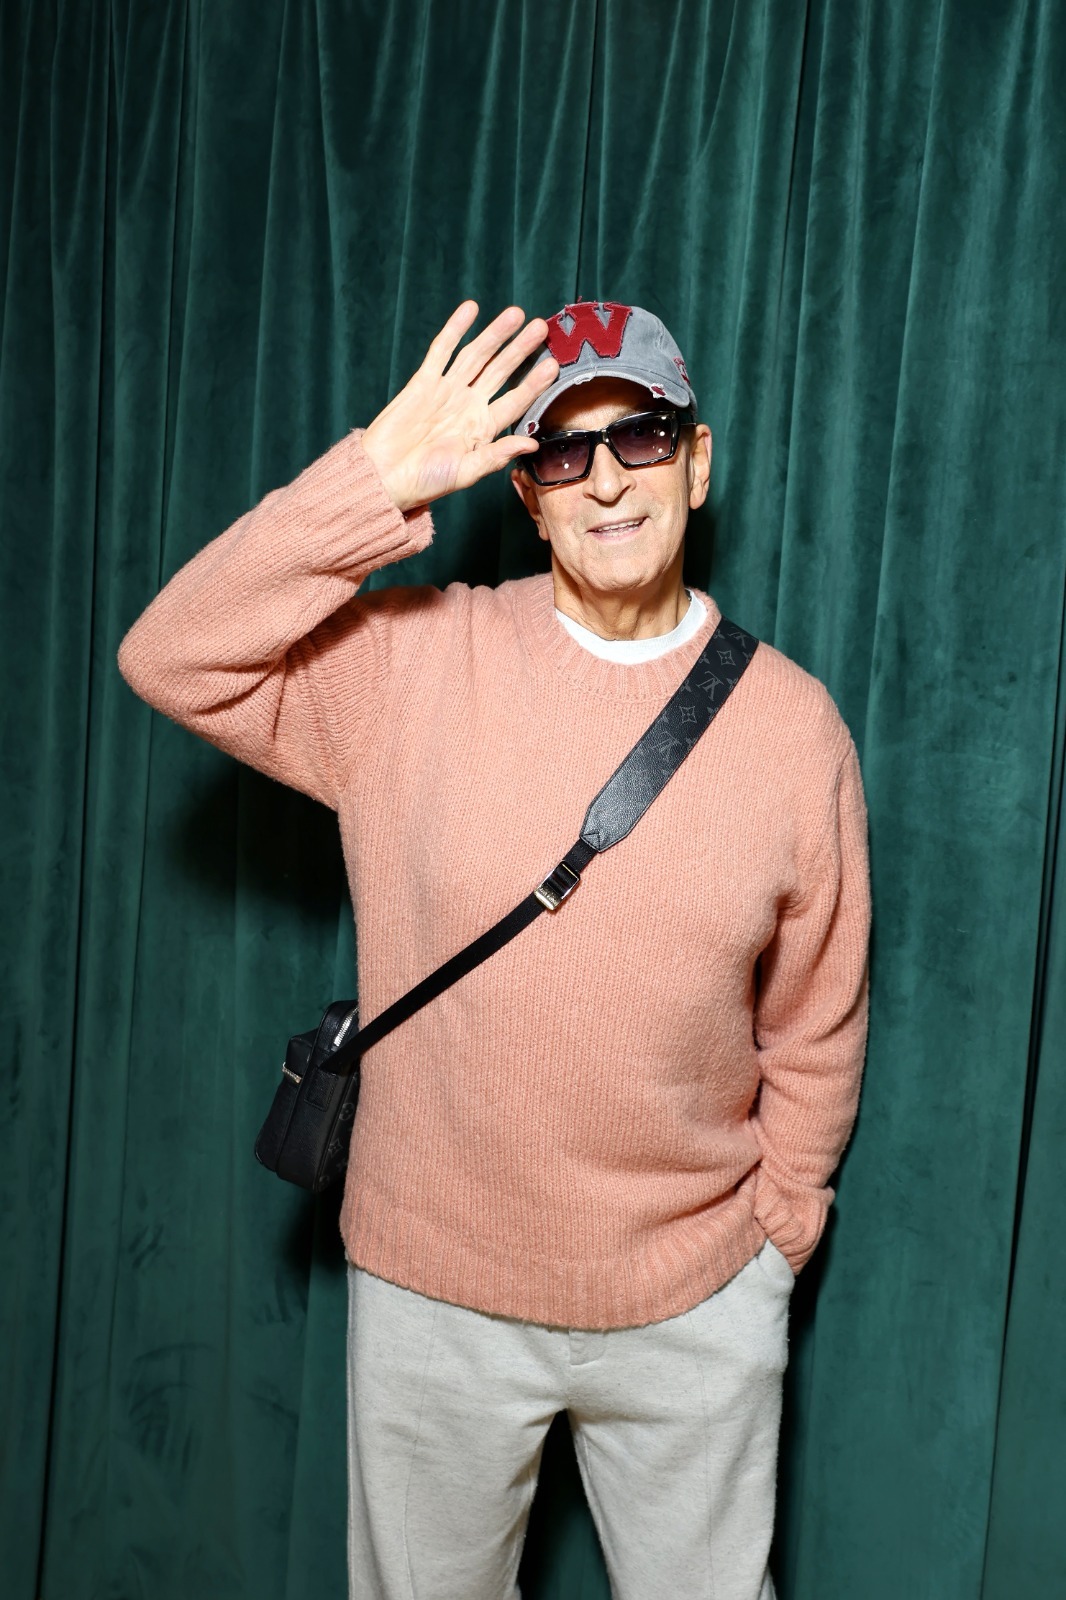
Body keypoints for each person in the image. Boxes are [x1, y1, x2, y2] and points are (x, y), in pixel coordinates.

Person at [118, 298, 871, 1600]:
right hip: (435, 1293)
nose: (606, 482)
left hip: (692, 1300)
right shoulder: (411, 665)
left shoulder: (795, 732)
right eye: (564, 453)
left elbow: (817, 1019)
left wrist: (778, 1236)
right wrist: (371, 482)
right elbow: (171, 657)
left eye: (640, 436)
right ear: (527, 496)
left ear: (697, 462)